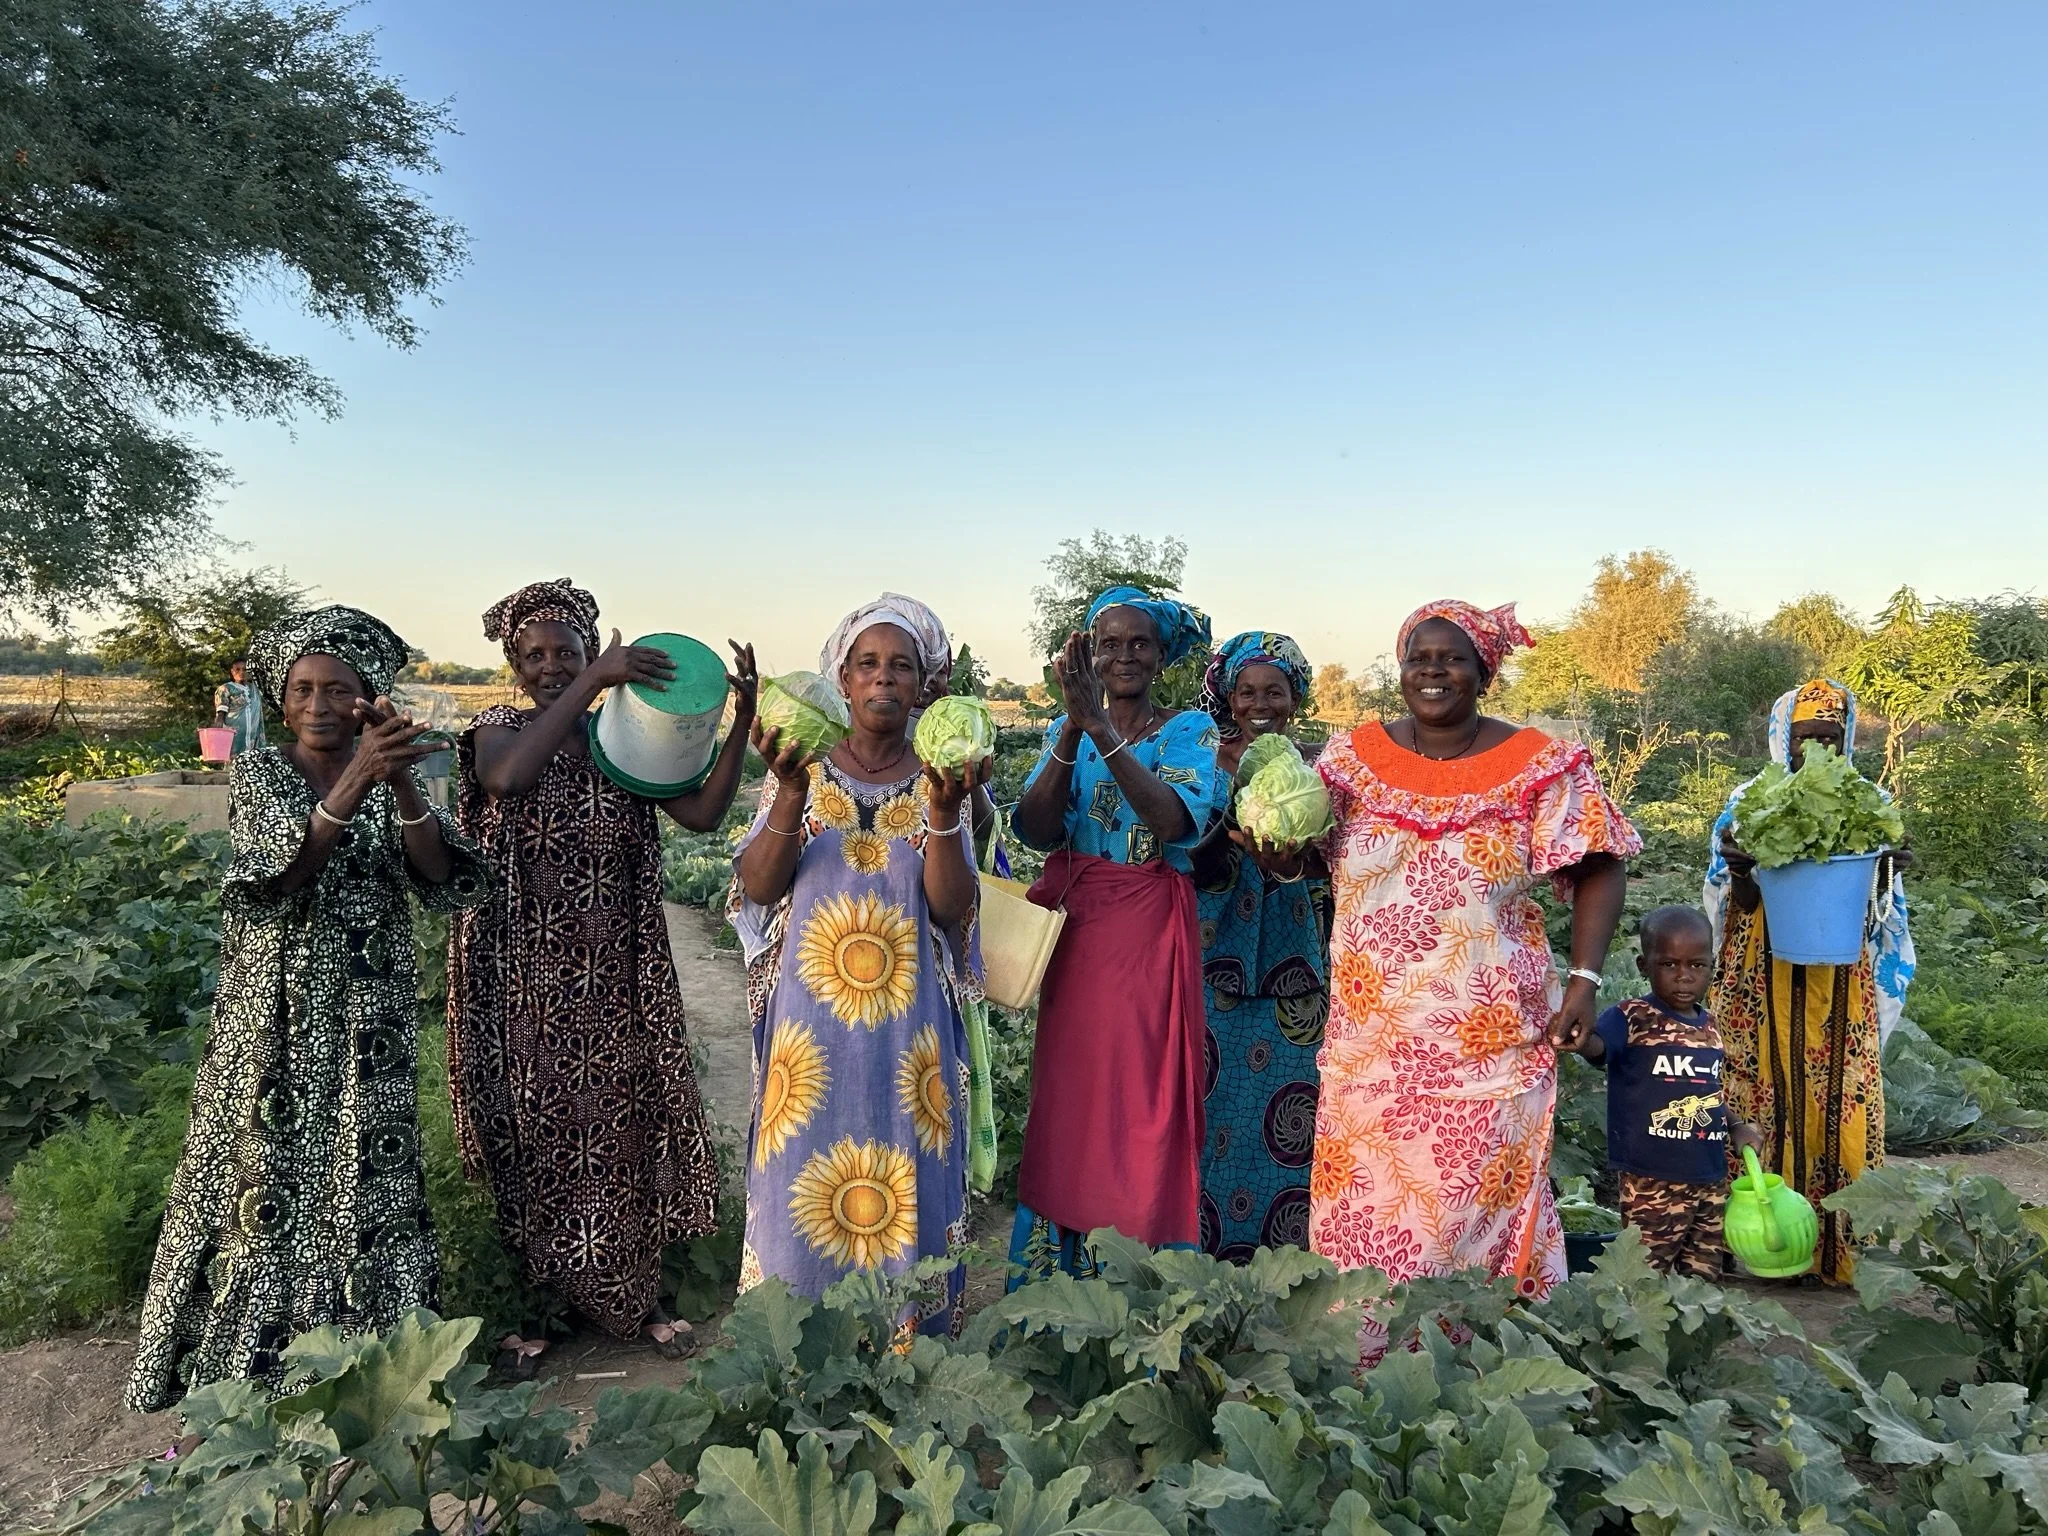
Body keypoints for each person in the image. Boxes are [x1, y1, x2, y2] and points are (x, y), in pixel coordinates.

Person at [127, 607, 490, 1412]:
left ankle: (371, 1356)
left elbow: (438, 880)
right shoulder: (260, 772)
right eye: (303, 689)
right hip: (277, 1006)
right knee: (265, 1169)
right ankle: (248, 1362)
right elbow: (280, 876)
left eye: (339, 689)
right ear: (281, 700)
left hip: (371, 1009)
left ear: (368, 699)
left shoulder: (394, 770)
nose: (319, 704)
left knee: (368, 1166)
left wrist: (398, 782)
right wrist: (362, 775)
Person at [1310, 600, 1637, 1340]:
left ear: (1483, 671)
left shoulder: (1538, 766)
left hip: (1489, 1046)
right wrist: (1275, 846)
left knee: (1474, 1217)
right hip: (1372, 1047)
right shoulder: (1350, 762)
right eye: (1418, 656)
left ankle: (1489, 1370)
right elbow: (1303, 850)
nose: (1433, 670)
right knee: (1366, 1220)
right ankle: (1357, 1373)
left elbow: (1600, 865)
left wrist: (1583, 980)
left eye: (1452, 657)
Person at [447, 580, 754, 1367]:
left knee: (618, 1129)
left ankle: (634, 1300)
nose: (552, 667)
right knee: (539, 1136)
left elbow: (701, 815)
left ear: (592, 651)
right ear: (515, 666)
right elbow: (508, 780)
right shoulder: (497, 729)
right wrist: (595, 682)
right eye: (535, 655)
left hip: (615, 968)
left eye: (569, 653)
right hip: (521, 974)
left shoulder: (622, 740)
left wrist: (741, 719)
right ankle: (543, 1311)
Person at [730, 598, 986, 1336]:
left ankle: (909, 1348)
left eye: (900, 666)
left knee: (912, 1178)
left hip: (911, 1030)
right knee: (797, 1185)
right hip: (809, 1033)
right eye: (867, 664)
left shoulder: (945, 777)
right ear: (841, 679)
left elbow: (950, 907)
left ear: (920, 684)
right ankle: (791, 1344)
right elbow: (758, 885)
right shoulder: (802, 765)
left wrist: (943, 810)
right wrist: (786, 790)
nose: (884, 679)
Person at [1008, 587, 1227, 1281]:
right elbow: (1038, 829)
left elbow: (1171, 823)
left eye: (1139, 644)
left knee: (1140, 1101)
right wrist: (1072, 732)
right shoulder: (1062, 730)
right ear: (1087, 654)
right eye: (1109, 643)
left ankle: (1134, 1277)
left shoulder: (1190, 732)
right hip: (1078, 938)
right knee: (1070, 1101)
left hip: (1146, 934)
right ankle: (1057, 1283)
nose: (1123, 656)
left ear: (1162, 657)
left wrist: (1101, 728)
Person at [1704, 679, 1914, 1283]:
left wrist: (1891, 868)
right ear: (1781, 739)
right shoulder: (1749, 799)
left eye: (1828, 736)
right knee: (1754, 1096)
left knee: (1839, 1100)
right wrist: (1741, 869)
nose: (1815, 750)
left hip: (1840, 980)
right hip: (1756, 978)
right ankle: (1760, 1245)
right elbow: (1726, 901)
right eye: (1803, 738)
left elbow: (1881, 907)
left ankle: (1836, 1250)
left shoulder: (1865, 799)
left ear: (1845, 738)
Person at [1187, 631, 1331, 1261]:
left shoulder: (1318, 768)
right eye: (1247, 690)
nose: (1260, 702)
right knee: (1213, 1104)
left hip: (1296, 957)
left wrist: (1298, 856)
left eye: (1275, 689)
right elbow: (1185, 847)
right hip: (1214, 951)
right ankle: (1206, 1253)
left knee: (1294, 1105)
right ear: (1230, 695)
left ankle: (1286, 1257)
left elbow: (1337, 856)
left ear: (1294, 697)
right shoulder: (1203, 762)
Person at [1564, 905, 1762, 1278]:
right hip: (1651, 1182)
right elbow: (1601, 1050)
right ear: (1644, 966)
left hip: (1710, 1179)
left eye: (1696, 965)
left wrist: (1736, 1126)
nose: (1684, 977)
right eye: (1670, 965)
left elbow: (1710, 1094)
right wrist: (1582, 1037)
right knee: (1643, 1278)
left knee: (1702, 1284)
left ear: (1711, 965)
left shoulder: (1711, 1027)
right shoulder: (1632, 1017)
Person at [213, 658, 264, 755]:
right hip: (235, 738)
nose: (241, 672)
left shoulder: (255, 689)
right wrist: (218, 725)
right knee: (234, 765)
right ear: (232, 671)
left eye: (245, 669)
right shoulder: (226, 689)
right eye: (238, 669)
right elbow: (220, 711)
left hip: (254, 738)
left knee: (253, 763)